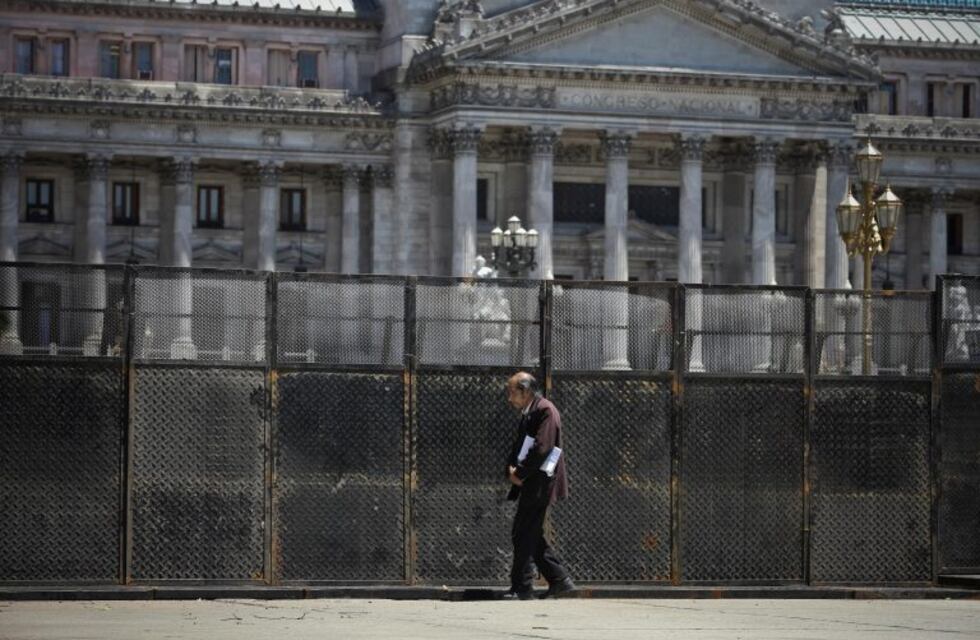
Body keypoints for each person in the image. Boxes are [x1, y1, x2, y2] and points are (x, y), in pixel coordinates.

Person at [502, 371, 575, 600]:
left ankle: (523, 587)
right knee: (529, 532)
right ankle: (559, 579)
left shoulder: (545, 410)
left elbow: (542, 448)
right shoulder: (531, 411)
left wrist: (520, 474)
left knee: (523, 532)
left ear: (525, 391)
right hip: (533, 482)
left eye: (512, 392)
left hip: (541, 483)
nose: (509, 398)